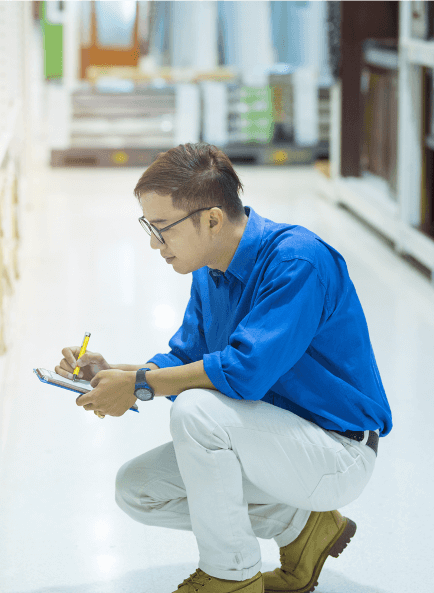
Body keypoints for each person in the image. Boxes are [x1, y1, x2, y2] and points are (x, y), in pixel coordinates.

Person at [54, 143, 392, 593]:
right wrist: (115, 371)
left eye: (162, 229)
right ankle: (304, 529)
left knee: (196, 412)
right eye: (148, 227)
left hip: (336, 450)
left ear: (212, 219)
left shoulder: (296, 262)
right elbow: (187, 359)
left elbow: (243, 372)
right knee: (137, 490)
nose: (154, 244)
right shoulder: (210, 268)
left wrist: (138, 386)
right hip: (275, 441)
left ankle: (231, 576)